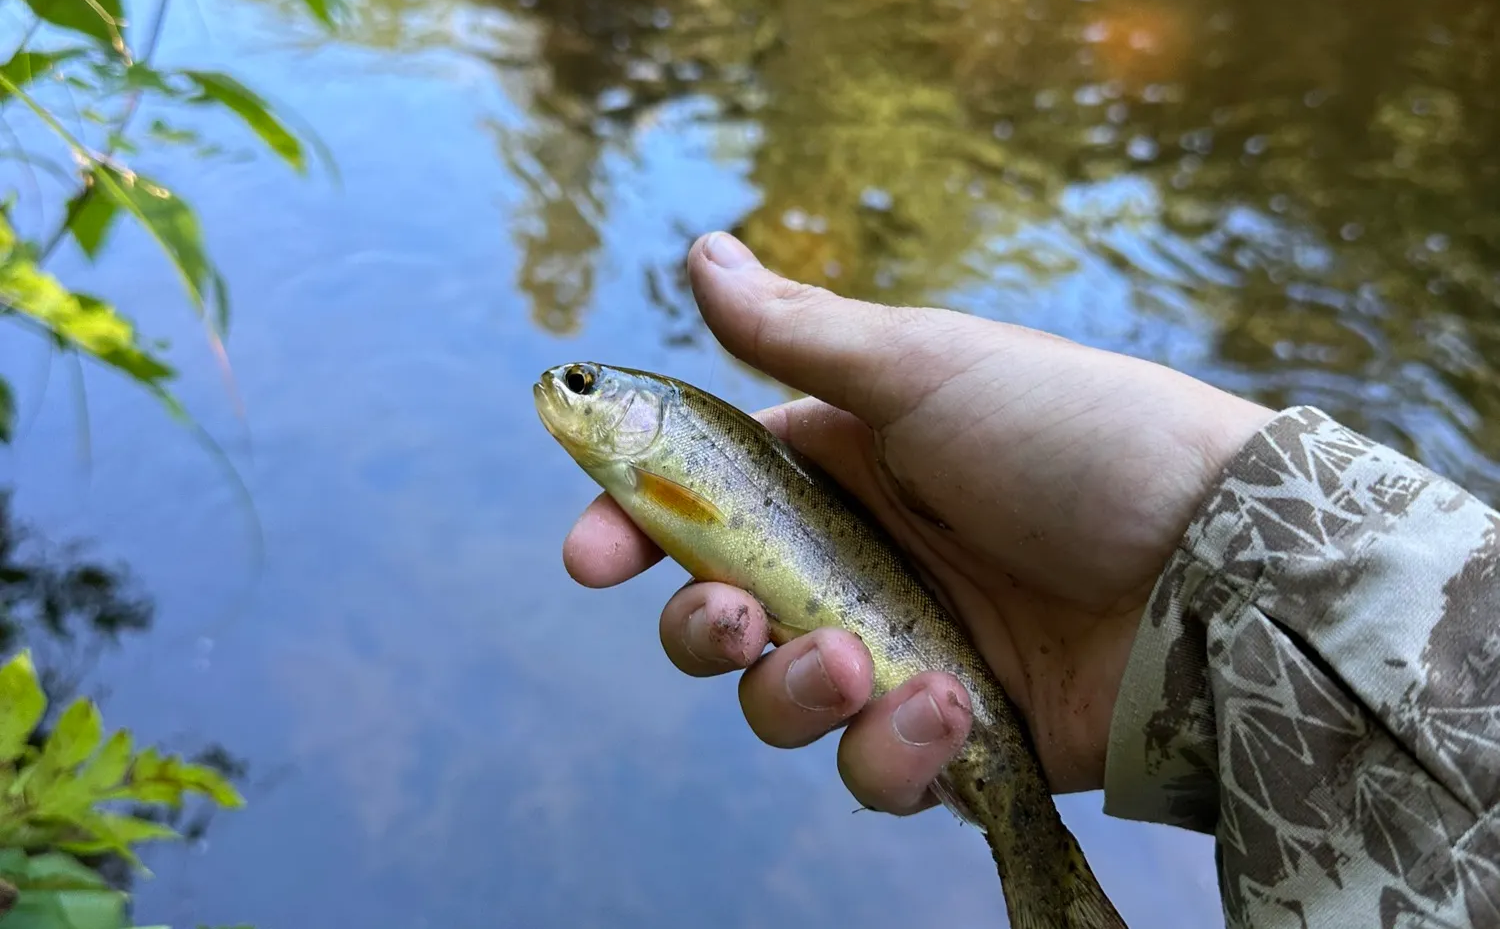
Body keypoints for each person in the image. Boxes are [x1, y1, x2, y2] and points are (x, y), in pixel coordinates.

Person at [563, 231, 1500, 928]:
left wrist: (1206, 554)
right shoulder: (662, 463)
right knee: (759, 642)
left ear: (645, 417)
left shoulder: (668, 457)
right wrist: (1212, 589)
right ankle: (1035, 853)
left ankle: (1035, 861)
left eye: (585, 385)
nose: (568, 394)